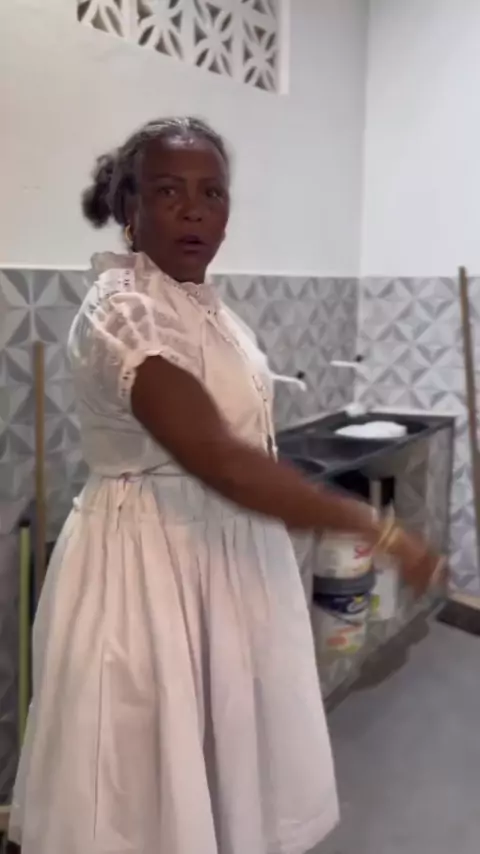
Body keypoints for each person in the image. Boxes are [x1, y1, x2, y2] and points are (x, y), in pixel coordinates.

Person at [9, 117, 441, 854]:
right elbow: (221, 458)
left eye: (211, 193)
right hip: (149, 565)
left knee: (220, 767)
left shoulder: (208, 309)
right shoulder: (124, 314)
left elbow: (241, 443)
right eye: (168, 191)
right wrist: (375, 527)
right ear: (129, 207)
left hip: (226, 560)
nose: (194, 210)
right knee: (144, 788)